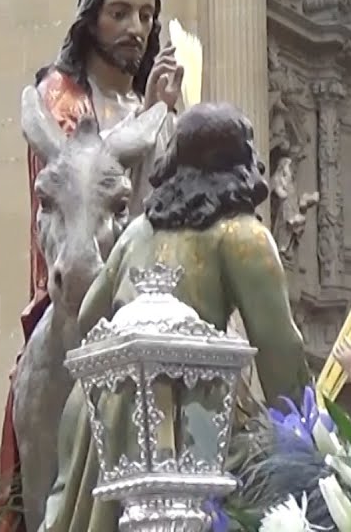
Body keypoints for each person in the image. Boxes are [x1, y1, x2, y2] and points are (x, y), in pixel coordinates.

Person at [0, 0, 193, 532]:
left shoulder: (147, 106)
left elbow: (175, 197)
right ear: (91, 21)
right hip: (79, 283)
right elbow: (67, 176)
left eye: (144, 15)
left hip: (144, 282)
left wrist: (170, 111)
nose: (135, 27)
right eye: (119, 13)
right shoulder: (62, 95)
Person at [40, 102, 311, 532]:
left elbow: (89, 317)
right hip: (186, 417)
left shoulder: (138, 231)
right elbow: (280, 354)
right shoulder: (242, 235)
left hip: (99, 416)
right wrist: (308, 443)